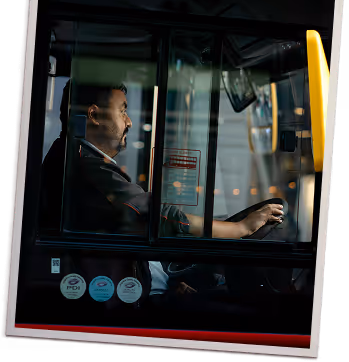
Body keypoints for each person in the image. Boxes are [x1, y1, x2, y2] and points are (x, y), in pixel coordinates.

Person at [40, 79, 285, 305]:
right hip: (129, 298)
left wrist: (169, 281)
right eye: (123, 110)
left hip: (141, 280)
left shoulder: (76, 157)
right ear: (94, 115)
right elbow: (157, 216)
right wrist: (240, 229)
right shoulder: (86, 167)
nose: (129, 122)